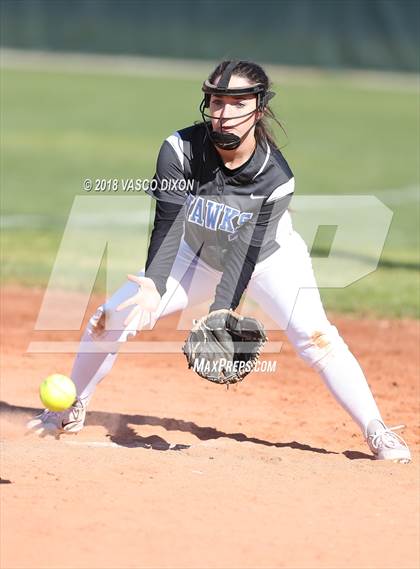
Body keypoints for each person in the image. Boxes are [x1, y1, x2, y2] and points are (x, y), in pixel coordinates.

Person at [27, 60, 411, 463]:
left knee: (318, 340)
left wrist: (221, 311)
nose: (223, 113)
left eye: (236, 103)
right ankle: (71, 406)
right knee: (109, 317)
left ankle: (376, 430)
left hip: (269, 262)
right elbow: (168, 222)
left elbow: (246, 253)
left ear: (258, 109)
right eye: (216, 101)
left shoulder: (275, 177)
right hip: (193, 256)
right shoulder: (179, 150)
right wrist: (155, 286)